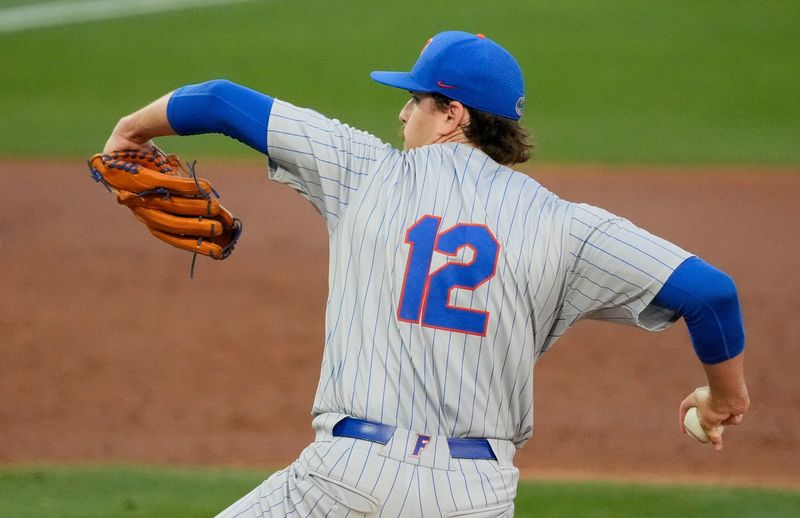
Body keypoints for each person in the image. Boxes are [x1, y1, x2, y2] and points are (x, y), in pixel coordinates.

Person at [103, 31, 749, 517]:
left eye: (414, 101)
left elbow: (218, 100)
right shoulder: (566, 226)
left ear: (453, 114)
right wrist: (724, 401)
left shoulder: (366, 170)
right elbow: (711, 293)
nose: (401, 115)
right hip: (474, 497)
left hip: (343, 481)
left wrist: (130, 133)